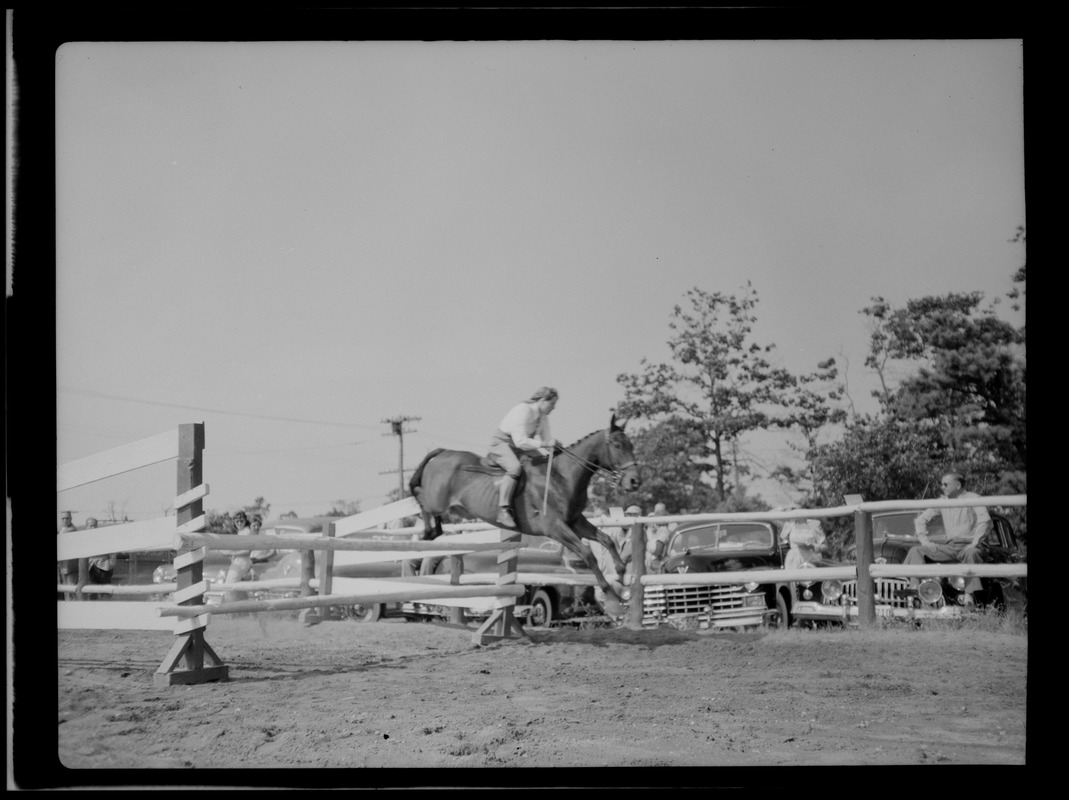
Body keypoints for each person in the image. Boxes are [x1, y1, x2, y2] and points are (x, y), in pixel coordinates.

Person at [904, 471, 991, 605]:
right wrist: (926, 542)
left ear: (957, 485)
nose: (942, 487)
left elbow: (985, 521)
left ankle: (969, 597)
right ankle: (915, 589)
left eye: (945, 484)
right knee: (916, 550)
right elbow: (920, 521)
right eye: (942, 484)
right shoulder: (942, 502)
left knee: (971, 553)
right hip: (950, 547)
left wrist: (975, 542)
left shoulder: (973, 498)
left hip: (970, 546)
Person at [486, 386, 558, 528]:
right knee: (515, 468)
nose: (554, 408)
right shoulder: (523, 409)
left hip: (520, 448)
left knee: (542, 464)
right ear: (543, 400)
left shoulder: (543, 417)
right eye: (552, 404)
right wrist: (545, 444)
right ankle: (503, 509)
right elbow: (521, 441)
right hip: (502, 444)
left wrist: (554, 448)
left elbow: (547, 439)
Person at [80, 517, 117, 600]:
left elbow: (113, 551)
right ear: (86, 527)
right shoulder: (83, 539)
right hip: (90, 569)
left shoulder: (103, 538)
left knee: (106, 592)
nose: (93, 528)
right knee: (91, 593)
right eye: (90, 526)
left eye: (94, 526)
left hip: (103, 568)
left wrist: (111, 564)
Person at [223, 510, 254, 603]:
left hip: (242, 562)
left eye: (242, 521)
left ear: (245, 521)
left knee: (229, 586)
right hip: (239, 562)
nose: (239, 523)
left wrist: (231, 554)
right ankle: (249, 611)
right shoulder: (241, 532)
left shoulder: (246, 532)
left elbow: (247, 551)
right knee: (239, 588)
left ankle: (230, 610)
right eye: (237, 521)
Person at [646, 502, 674, 573]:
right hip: (653, 562)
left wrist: (647, 547)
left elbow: (658, 551)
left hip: (657, 562)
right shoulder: (658, 530)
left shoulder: (663, 530)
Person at [58, 511, 78, 599]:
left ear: (71, 519)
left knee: (71, 590)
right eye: (63, 518)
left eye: (67, 518)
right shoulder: (61, 529)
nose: (65, 520)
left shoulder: (72, 530)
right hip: (62, 566)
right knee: (65, 591)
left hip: (70, 566)